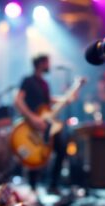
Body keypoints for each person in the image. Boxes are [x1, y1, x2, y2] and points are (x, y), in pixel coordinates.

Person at [14, 55, 67, 194]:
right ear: (40, 63)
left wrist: (66, 98)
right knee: (34, 153)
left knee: (61, 148)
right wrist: (32, 117)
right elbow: (18, 100)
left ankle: (53, 185)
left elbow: (48, 101)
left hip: (46, 124)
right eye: (47, 63)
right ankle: (33, 188)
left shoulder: (44, 83)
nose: (49, 65)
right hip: (32, 124)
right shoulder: (28, 80)